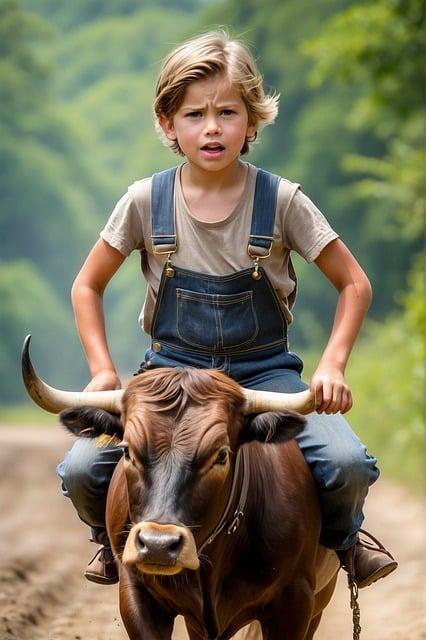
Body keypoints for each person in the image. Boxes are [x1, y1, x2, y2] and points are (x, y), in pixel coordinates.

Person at [57, 30, 397, 588]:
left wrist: (332, 366)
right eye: (194, 114)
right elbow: (86, 286)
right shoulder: (145, 201)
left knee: (347, 465)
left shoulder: (283, 201)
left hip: (264, 374)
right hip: (170, 380)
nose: (211, 127)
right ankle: (110, 543)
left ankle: (345, 541)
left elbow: (354, 284)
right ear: (169, 125)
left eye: (227, 112)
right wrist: (102, 370)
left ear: (253, 122)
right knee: (81, 469)